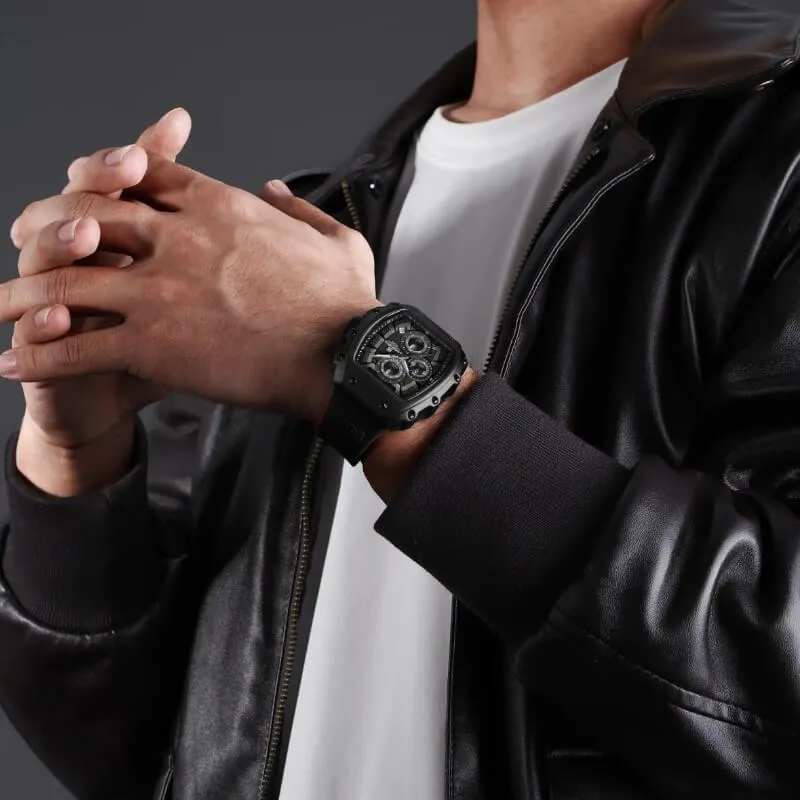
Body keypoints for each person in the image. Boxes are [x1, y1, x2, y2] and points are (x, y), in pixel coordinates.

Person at [1, 0, 799, 797]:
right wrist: (77, 465)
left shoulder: (777, 163)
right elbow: (158, 755)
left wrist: (360, 362)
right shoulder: (315, 224)